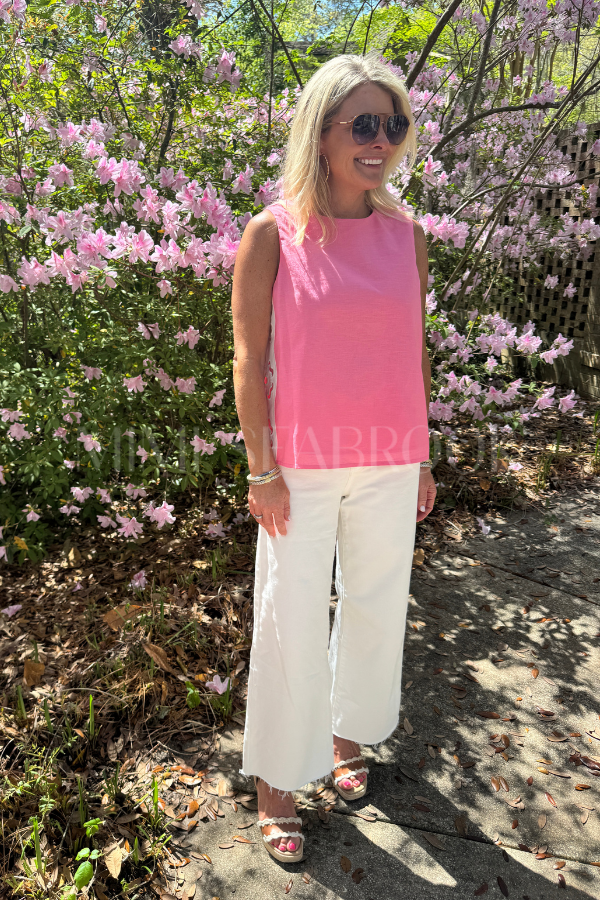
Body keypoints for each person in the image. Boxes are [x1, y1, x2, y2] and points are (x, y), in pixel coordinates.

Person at [231, 52, 436, 864]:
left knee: (376, 607)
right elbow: (250, 359)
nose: (381, 140)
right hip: (301, 468)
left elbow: (411, 352)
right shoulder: (272, 233)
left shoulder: (407, 235)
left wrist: (422, 457)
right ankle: (278, 783)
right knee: (289, 618)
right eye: (364, 125)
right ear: (322, 133)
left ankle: (348, 736)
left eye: (394, 124)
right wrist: (261, 469)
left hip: (390, 459)